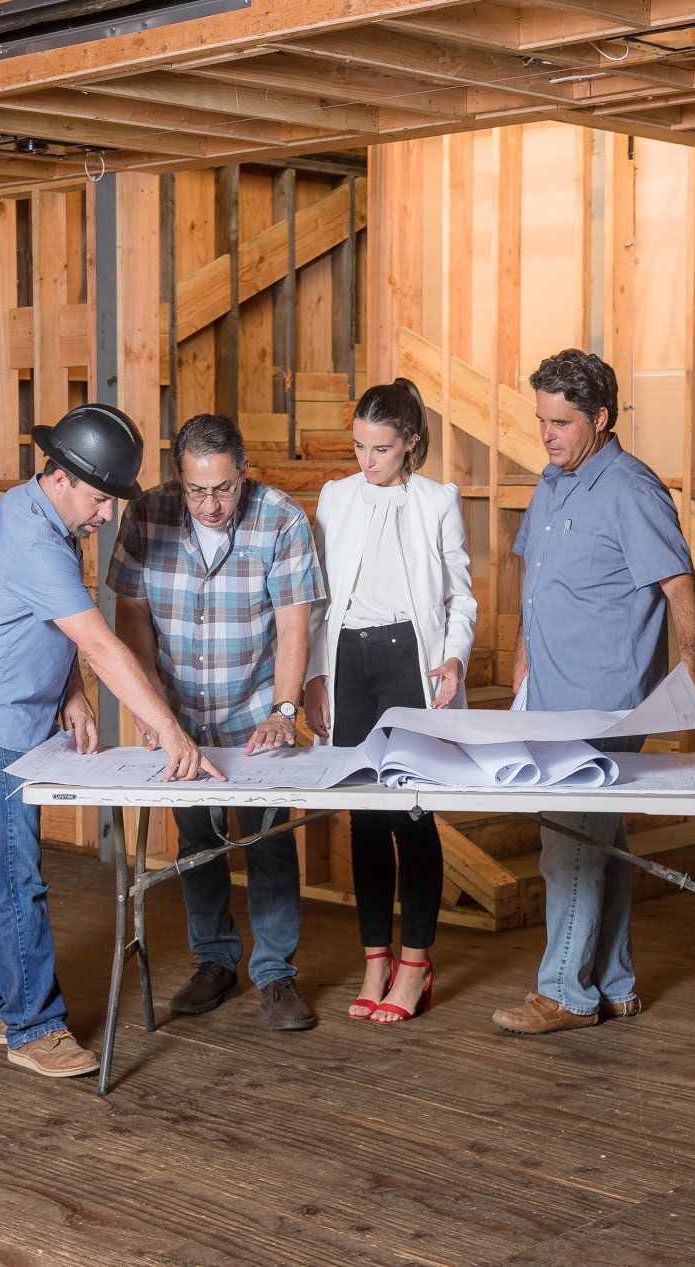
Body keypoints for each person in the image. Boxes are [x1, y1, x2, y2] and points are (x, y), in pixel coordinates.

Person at [0, 404, 223, 1079]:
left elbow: (46, 625)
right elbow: (101, 642)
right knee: (9, 873)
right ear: (60, 476)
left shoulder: (41, 518)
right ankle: (34, 1027)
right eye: (98, 498)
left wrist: (69, 691)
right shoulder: (33, 537)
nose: (103, 515)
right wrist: (168, 728)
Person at [490, 350, 695, 1037]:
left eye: (561, 421)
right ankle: (613, 985)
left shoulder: (633, 490)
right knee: (598, 843)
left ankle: (563, 994)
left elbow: (679, 586)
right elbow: (540, 580)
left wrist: (690, 663)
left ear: (602, 418)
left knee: (568, 847)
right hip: (550, 696)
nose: (546, 434)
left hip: (604, 703)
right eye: (541, 419)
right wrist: (522, 656)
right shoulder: (554, 482)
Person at [107, 413, 326, 1031]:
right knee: (198, 841)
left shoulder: (281, 518)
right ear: (180, 476)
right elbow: (131, 617)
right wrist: (151, 709)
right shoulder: (147, 515)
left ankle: (277, 974)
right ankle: (215, 962)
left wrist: (284, 710)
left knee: (267, 841)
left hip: (255, 710)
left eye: (224, 488)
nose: (210, 503)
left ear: (244, 472)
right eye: (198, 489)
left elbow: (293, 620)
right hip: (180, 716)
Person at [303, 378, 477, 1025]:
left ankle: (414, 964)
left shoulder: (437, 500)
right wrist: (315, 675)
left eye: (379, 447)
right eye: (358, 446)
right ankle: (373, 959)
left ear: (408, 443)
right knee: (363, 815)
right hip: (348, 660)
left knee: (410, 811)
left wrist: (454, 655)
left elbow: (462, 595)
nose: (365, 460)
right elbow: (319, 597)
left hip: (411, 659)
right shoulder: (335, 496)